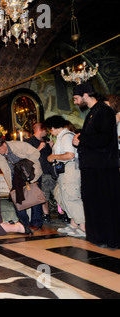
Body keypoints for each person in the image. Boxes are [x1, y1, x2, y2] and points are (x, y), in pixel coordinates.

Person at [72, 82, 120, 248]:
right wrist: (80, 138)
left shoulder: (104, 111)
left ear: (86, 95)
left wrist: (81, 139)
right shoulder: (94, 112)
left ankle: (110, 238)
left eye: (77, 98)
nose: (75, 102)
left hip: (103, 167)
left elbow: (104, 138)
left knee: (106, 204)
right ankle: (98, 236)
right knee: (94, 203)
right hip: (93, 167)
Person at [0, 136, 44, 231]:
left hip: (31, 174)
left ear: (4, 144)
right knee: (17, 199)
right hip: (16, 178)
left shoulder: (19, 145)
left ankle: (36, 223)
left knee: (35, 198)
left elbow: (36, 153)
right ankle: (24, 223)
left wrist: (25, 164)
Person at [45, 115, 85, 237]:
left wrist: (53, 157)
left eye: (49, 129)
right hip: (64, 172)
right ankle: (74, 224)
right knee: (63, 196)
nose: (49, 132)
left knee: (72, 197)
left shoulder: (67, 137)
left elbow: (70, 155)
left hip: (70, 171)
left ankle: (83, 227)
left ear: (53, 127)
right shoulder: (61, 137)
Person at [25, 122, 56, 223]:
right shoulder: (29, 142)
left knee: (55, 192)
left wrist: (52, 147)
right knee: (43, 194)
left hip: (49, 170)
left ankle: (62, 213)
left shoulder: (46, 141)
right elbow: (28, 157)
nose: (46, 132)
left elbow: (51, 155)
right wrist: (39, 148)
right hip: (38, 172)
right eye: (45, 130)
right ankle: (46, 214)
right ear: (40, 130)